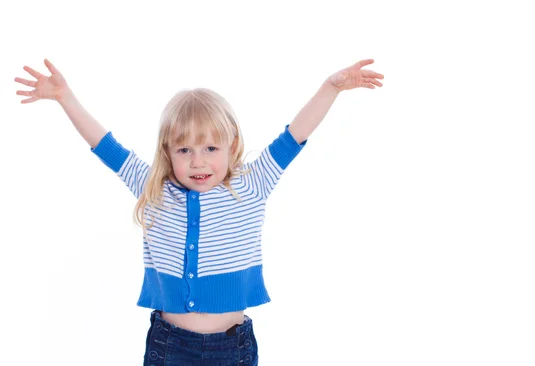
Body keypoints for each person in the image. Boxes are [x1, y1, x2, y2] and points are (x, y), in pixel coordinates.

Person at [15, 58, 384, 365]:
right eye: (184, 150)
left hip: (232, 348)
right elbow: (106, 146)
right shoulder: (154, 188)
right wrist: (65, 98)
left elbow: (294, 136)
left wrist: (330, 88)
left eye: (210, 148)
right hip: (169, 346)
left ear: (231, 145)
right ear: (167, 153)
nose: (197, 161)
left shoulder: (251, 185)